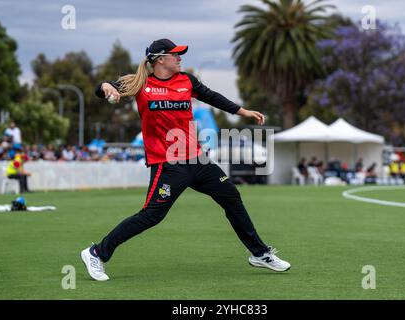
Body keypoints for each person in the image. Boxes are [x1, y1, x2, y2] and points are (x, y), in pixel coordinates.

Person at [80, 38, 291, 281]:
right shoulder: (141, 83)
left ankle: (260, 254)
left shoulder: (186, 80)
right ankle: (96, 253)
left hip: (197, 160)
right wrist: (107, 88)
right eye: (175, 55)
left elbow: (212, 97)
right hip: (167, 164)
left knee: (231, 196)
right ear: (160, 59)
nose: (180, 58)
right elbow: (103, 88)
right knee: (151, 216)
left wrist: (242, 112)